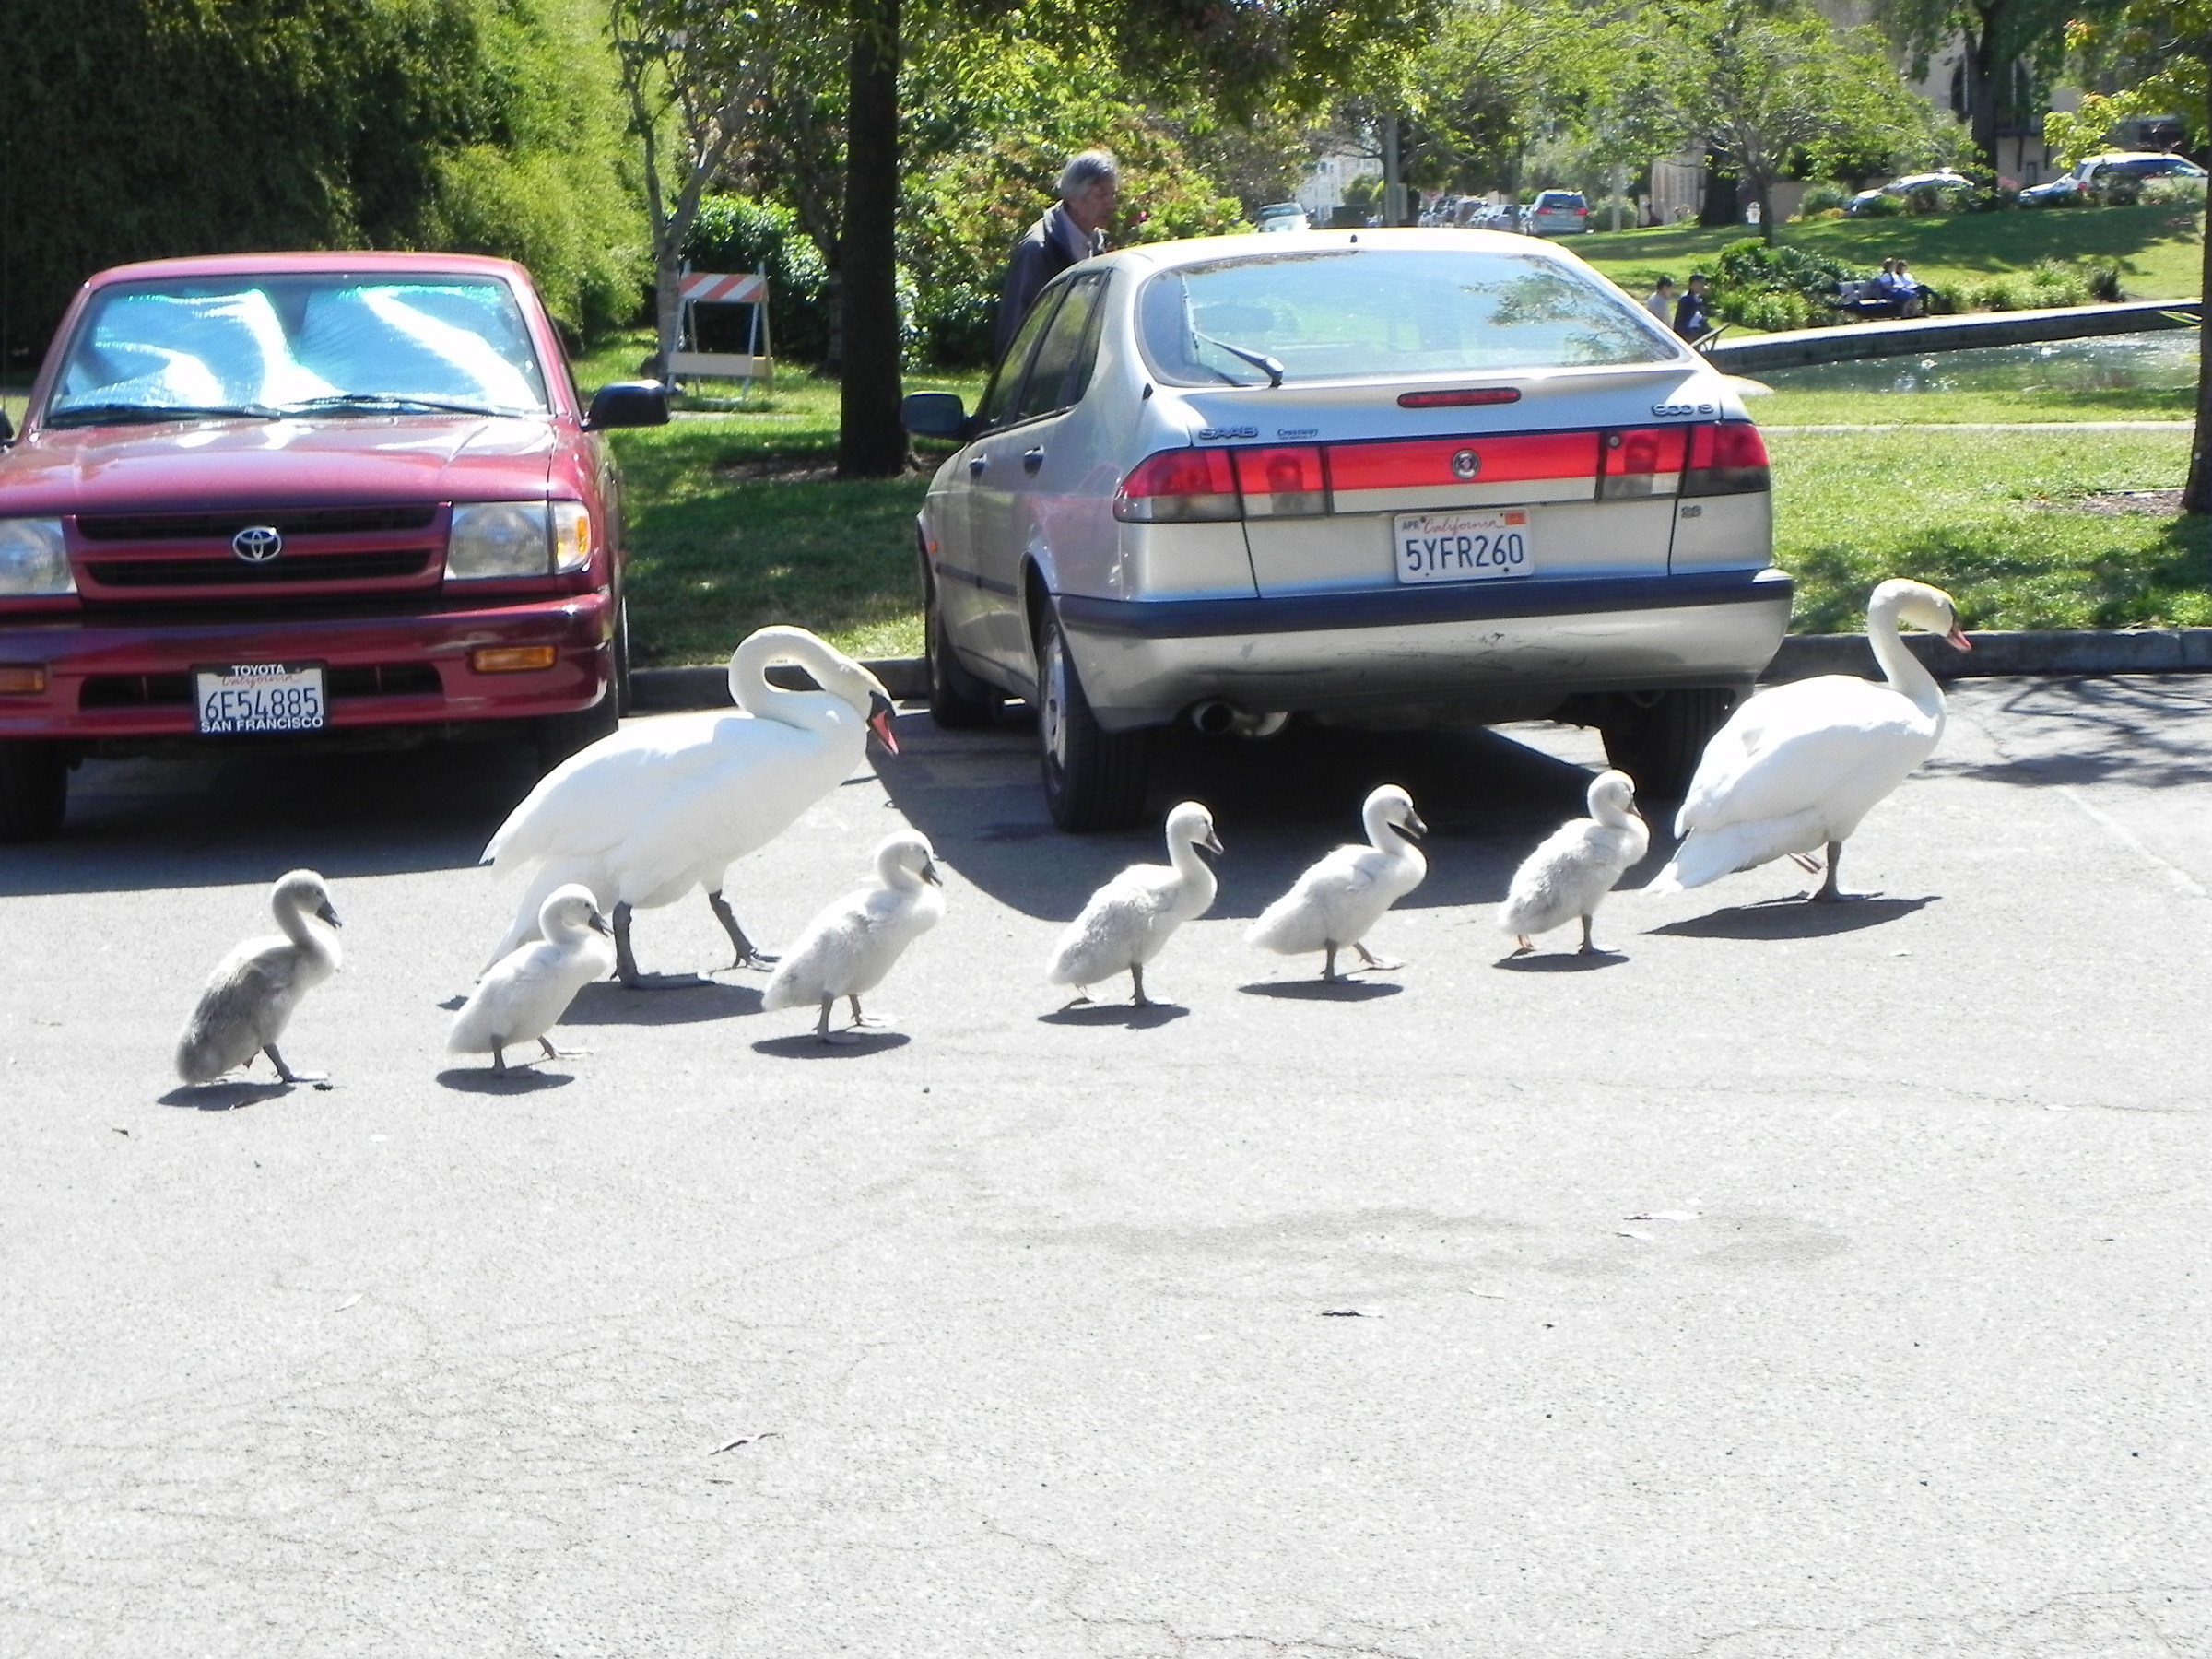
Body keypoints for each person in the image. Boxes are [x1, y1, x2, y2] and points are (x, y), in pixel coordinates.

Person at [994, 149, 1119, 359]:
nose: (1110, 203)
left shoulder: (1096, 241)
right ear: (1072, 197)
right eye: (1101, 195)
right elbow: (1017, 329)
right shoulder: (1038, 248)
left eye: (1112, 194)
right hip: (1046, 370)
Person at [1673, 271, 1712, 341]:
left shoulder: (1692, 297)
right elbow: (1694, 318)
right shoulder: (1689, 299)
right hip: (1685, 333)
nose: (1703, 286)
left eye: (1704, 283)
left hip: (1684, 330)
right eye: (1701, 283)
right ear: (1693, 285)